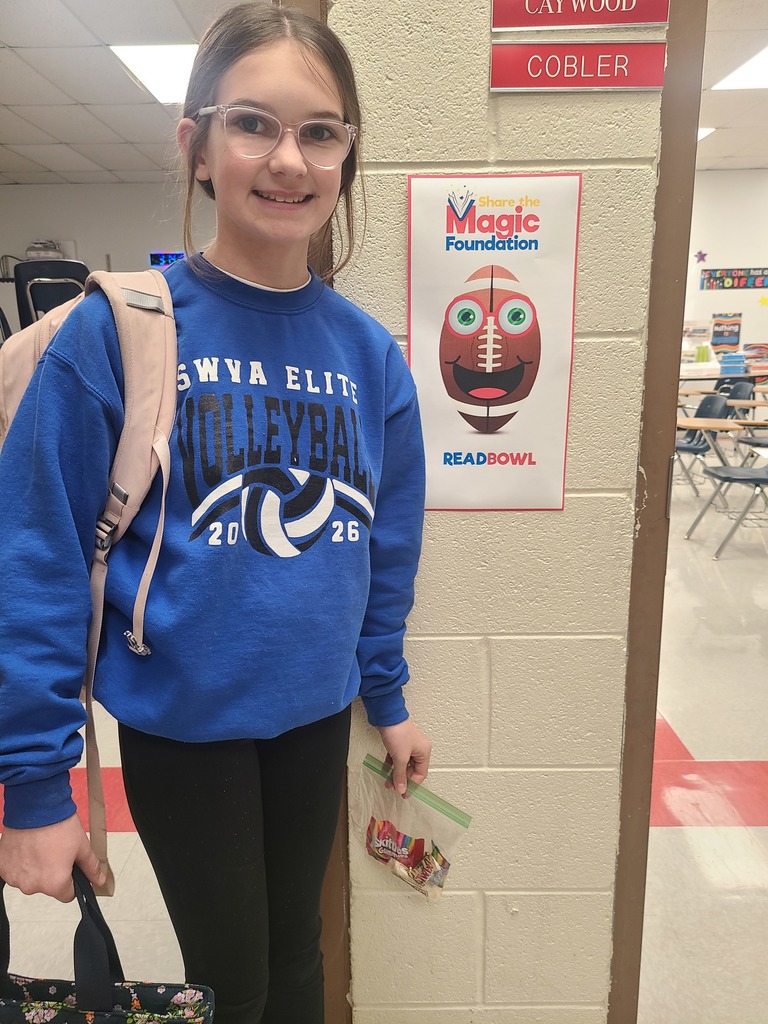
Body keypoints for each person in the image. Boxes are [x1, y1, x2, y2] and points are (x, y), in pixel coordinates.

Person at [0, 4, 430, 1022]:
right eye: (253, 124)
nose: (289, 159)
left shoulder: (371, 358)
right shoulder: (121, 330)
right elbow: (36, 562)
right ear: (195, 147)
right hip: (183, 725)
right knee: (231, 982)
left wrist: (391, 690)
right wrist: (33, 786)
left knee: (298, 961)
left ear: (345, 157)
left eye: (319, 131)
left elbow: (388, 545)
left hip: (315, 714)